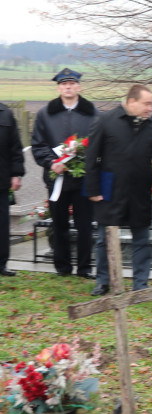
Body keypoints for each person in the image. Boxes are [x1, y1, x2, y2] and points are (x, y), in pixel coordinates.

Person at [84, 84, 152, 295]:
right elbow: (92, 157)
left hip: (140, 192)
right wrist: (93, 189)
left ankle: (140, 284)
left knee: (141, 238)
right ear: (132, 102)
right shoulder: (106, 121)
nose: (151, 108)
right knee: (105, 238)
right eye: (147, 103)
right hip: (110, 191)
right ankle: (103, 281)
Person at [30, 68, 98, 279]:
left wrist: (86, 161)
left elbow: (97, 143)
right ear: (58, 87)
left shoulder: (92, 113)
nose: (67, 87)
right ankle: (63, 267)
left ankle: (85, 267)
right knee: (59, 223)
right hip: (56, 178)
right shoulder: (45, 114)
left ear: (79, 86)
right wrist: (51, 163)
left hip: (82, 178)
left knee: (84, 224)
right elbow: (38, 145)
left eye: (71, 83)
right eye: (63, 84)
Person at [0, 101, 24, 277]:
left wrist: (16, 174)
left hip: (1, 181)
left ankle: (1, 264)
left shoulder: (6, 114)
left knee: (2, 224)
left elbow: (15, 147)